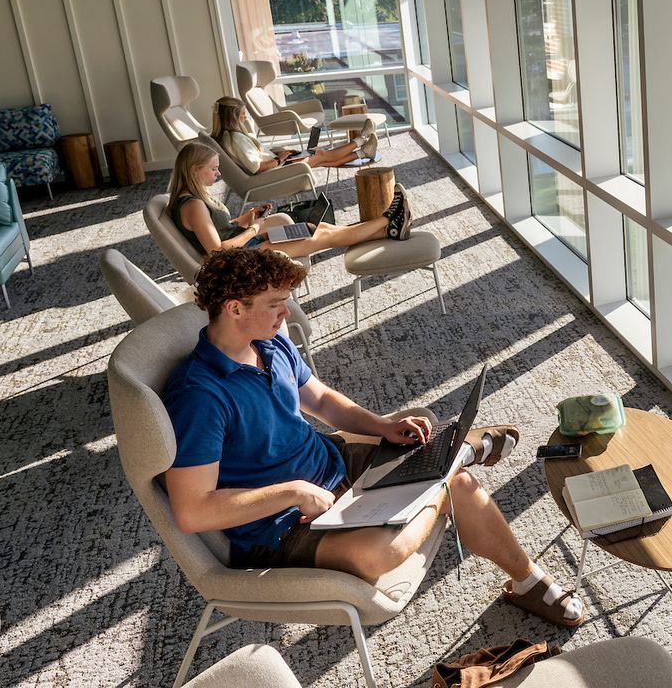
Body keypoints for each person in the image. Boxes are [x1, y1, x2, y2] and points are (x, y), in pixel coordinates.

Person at [161, 248, 585, 626]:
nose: (286, 314)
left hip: (333, 461)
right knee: (385, 551)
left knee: (440, 461)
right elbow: (192, 511)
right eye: (275, 304)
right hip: (279, 528)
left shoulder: (270, 344)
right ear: (234, 308)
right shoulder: (199, 396)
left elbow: (322, 401)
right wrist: (292, 493)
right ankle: (454, 459)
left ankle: (527, 580)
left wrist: (382, 425)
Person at [165, 142, 414, 259]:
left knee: (322, 227)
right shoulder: (193, 205)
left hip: (249, 243)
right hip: (246, 257)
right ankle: (389, 218)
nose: (219, 174)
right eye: (213, 169)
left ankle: (390, 230)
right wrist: (255, 228)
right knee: (322, 236)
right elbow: (217, 250)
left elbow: (215, 231)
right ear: (195, 169)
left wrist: (244, 219)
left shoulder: (191, 199)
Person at [212, 96, 376, 173]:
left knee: (319, 158)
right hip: (275, 170)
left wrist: (280, 153)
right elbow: (257, 167)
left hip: (277, 164)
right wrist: (280, 158)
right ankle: (360, 140)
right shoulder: (235, 139)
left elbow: (256, 157)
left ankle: (362, 152)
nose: (245, 117)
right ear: (232, 116)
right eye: (242, 114)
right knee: (320, 154)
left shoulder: (231, 136)